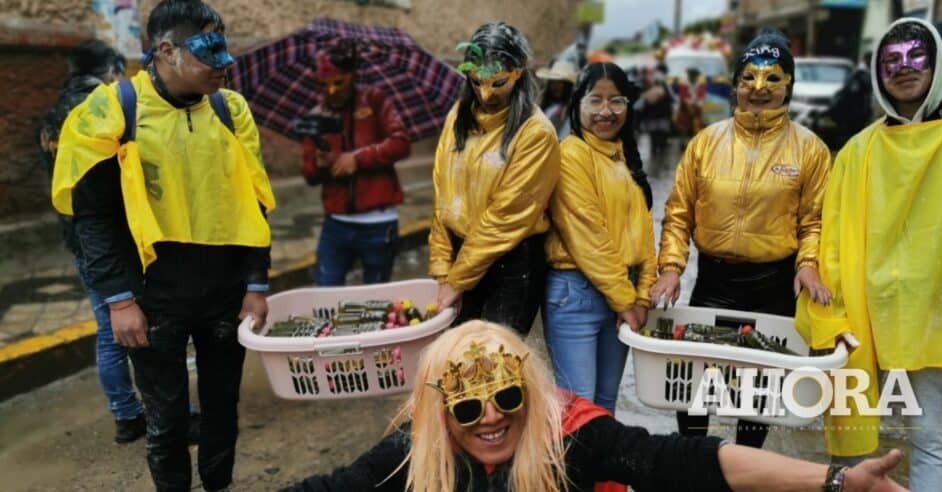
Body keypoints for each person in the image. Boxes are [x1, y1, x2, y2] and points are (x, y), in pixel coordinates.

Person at [50, 1, 276, 490]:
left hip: (224, 292)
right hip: (153, 298)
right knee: (167, 420)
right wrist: (119, 300)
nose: (225, 63)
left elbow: (255, 201)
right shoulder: (113, 111)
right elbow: (93, 216)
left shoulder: (230, 111)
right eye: (210, 49)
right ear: (168, 51)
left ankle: (218, 485)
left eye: (225, 47)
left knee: (222, 410)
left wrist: (256, 284)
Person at [795, 18, 942, 491]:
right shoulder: (858, 151)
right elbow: (832, 233)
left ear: (938, 61)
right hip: (866, 312)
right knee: (851, 435)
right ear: (877, 71)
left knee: (934, 437)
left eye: (916, 55)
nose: (903, 67)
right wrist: (815, 277)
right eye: (891, 59)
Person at [282, 320, 909, 492]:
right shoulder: (413, 455)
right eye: (469, 409)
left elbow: (688, 461)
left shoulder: (573, 439)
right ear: (442, 414)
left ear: (529, 394)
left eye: (506, 397)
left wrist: (835, 480)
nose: (492, 418)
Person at [649, 28, 833, 449]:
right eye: (748, 77)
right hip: (714, 282)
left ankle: (747, 468)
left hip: (773, 287)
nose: (759, 88)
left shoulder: (811, 150)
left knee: (757, 394)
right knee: (693, 385)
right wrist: (671, 269)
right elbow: (678, 214)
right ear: (734, 84)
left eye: (773, 78)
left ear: (788, 85)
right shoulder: (705, 143)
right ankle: (697, 463)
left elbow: (815, 222)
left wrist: (808, 265)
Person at [38, 39, 148, 444]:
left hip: (78, 234)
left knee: (108, 329)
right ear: (111, 68)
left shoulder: (52, 116)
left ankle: (125, 415)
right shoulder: (101, 107)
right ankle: (161, 412)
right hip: (114, 233)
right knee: (140, 324)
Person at [429, 22, 560, 335]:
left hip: (511, 262)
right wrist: (441, 267)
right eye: (476, 82)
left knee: (494, 355)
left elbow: (506, 216)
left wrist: (457, 281)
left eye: (497, 83)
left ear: (518, 74)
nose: (485, 94)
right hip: (462, 258)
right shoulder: (457, 116)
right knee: (457, 353)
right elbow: (442, 195)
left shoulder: (536, 133)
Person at [543, 62, 654, 416]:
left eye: (616, 100)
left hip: (622, 292)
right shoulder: (570, 155)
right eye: (595, 100)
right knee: (579, 411)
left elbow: (644, 234)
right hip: (577, 294)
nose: (606, 111)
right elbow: (588, 237)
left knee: (605, 408)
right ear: (577, 104)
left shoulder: (624, 157)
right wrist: (627, 301)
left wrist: (643, 294)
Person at [300, 42, 411, 286]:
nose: (331, 91)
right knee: (325, 294)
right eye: (323, 84)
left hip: (379, 223)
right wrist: (319, 164)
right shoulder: (316, 116)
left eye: (338, 82)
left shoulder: (375, 100)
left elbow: (401, 142)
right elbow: (308, 174)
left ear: (352, 76)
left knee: (375, 299)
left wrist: (359, 158)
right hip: (335, 224)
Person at [824, 52, 874, 146]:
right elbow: (856, 93)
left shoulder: (859, 73)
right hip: (855, 112)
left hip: (855, 112)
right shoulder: (860, 75)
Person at [635, 63, 676, 174]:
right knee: (661, 141)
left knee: (654, 141)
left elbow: (639, 106)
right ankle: (659, 163)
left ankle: (656, 162)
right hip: (662, 120)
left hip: (652, 120)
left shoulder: (648, 90)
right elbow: (673, 101)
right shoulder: (666, 89)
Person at [536, 59, 577, 140]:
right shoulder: (545, 104)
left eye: (560, 82)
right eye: (553, 82)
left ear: (567, 85)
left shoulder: (570, 110)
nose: (555, 86)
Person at [675, 66, 707, 140]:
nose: (692, 77)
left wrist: (697, 103)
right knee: (683, 123)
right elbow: (683, 97)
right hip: (686, 108)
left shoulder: (700, 85)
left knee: (698, 122)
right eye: (691, 75)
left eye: (694, 75)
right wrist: (689, 103)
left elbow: (701, 96)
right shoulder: (684, 85)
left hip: (696, 108)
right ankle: (683, 138)